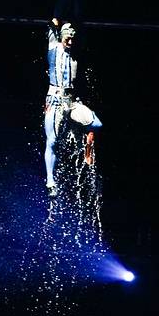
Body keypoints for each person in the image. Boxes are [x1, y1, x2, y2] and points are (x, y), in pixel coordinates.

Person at [44, 16, 102, 197]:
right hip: (55, 100)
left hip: (71, 101)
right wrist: (57, 19)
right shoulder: (53, 47)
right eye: (67, 38)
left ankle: (85, 145)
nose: (70, 42)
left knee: (96, 124)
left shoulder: (75, 53)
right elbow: (54, 20)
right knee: (52, 141)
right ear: (61, 37)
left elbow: (79, 23)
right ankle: (50, 181)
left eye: (72, 39)